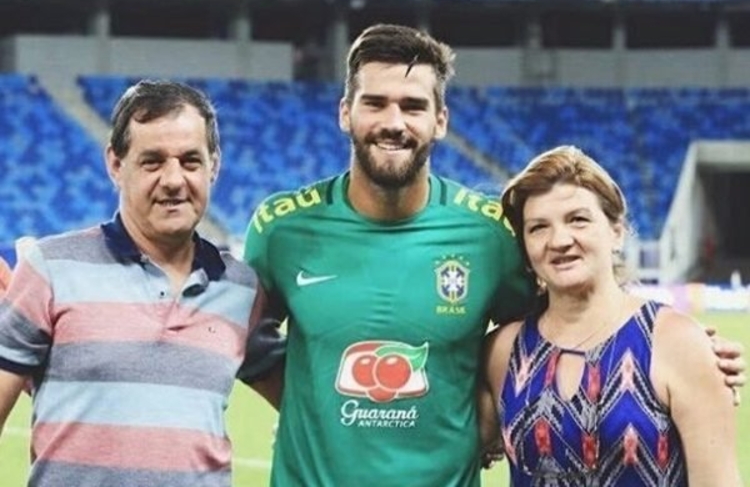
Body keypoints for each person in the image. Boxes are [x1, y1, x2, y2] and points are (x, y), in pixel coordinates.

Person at [243, 24, 745, 486]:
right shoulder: (282, 227)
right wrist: (316, 413)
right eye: (375, 102)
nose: (394, 122)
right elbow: (240, 339)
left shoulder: (488, 234)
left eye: (413, 106)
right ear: (344, 112)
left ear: (440, 121)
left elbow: (563, 317)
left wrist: (679, 343)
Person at [0, 80, 284, 487]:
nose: (174, 179)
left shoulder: (242, 290)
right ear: (115, 164)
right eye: (152, 161)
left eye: (190, 161)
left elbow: (305, 406)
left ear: (214, 166)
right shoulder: (52, 268)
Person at [481, 146, 741, 486]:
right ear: (526, 250)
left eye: (578, 219)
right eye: (538, 228)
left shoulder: (675, 342)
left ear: (616, 231)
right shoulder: (504, 351)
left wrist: (700, 361)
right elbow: (443, 449)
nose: (559, 240)